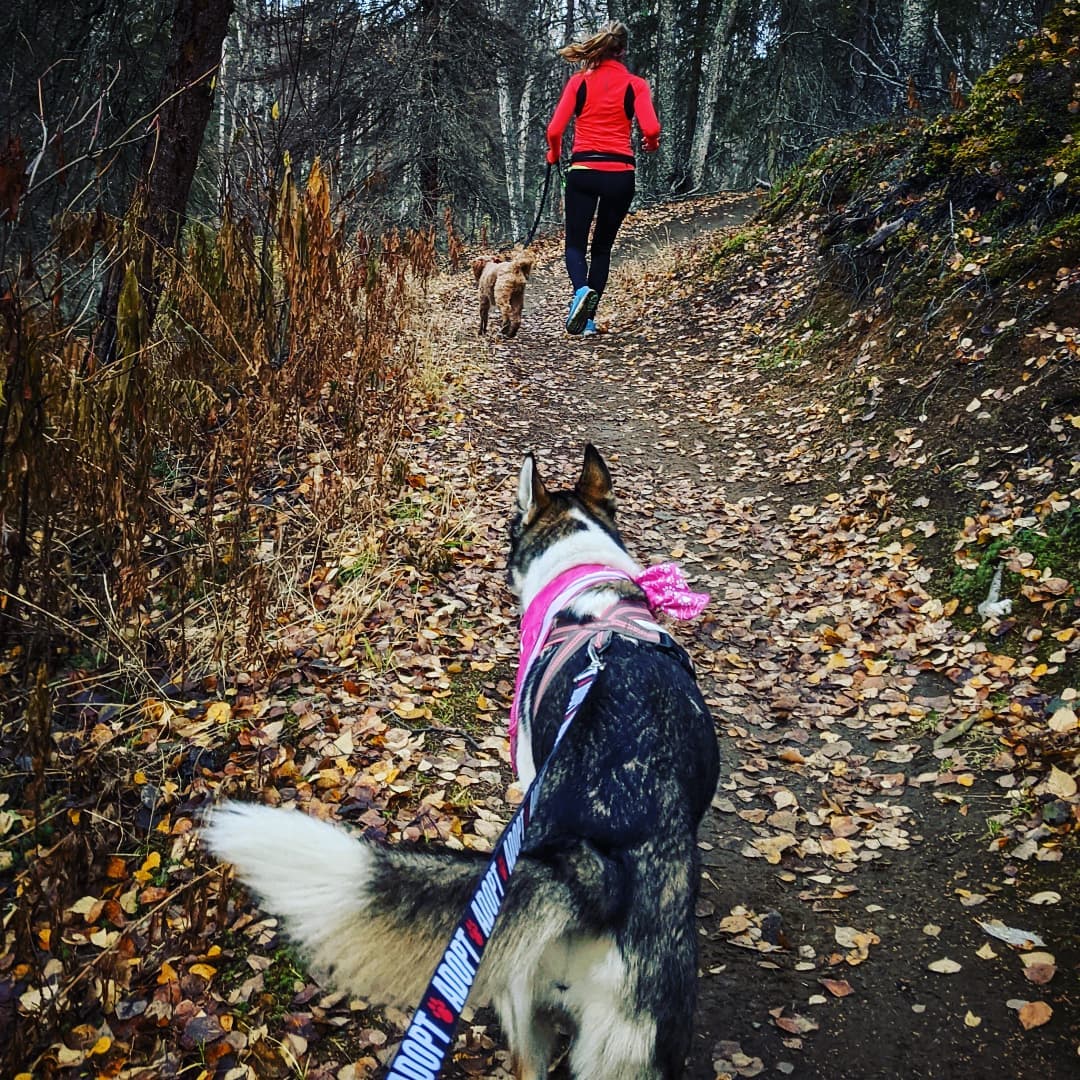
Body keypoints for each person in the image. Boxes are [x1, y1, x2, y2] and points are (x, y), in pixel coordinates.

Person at [546, 21, 660, 336]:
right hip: (620, 175)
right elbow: (651, 129)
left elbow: (554, 130)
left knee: (574, 245)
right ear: (623, 50)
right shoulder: (635, 85)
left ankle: (580, 293)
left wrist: (554, 154)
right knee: (602, 249)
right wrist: (650, 145)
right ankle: (589, 319)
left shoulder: (578, 82)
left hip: (583, 172)